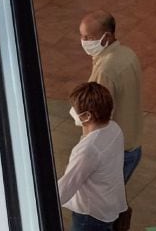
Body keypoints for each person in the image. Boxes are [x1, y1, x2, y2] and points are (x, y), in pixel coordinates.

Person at [80, 11, 143, 231]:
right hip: (132, 145)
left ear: (106, 37)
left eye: (88, 37)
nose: (84, 42)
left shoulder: (106, 69)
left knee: (93, 215)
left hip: (113, 154)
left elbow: (96, 117)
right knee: (112, 201)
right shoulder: (127, 54)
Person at [58, 82, 128, 231]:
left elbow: (67, 186)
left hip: (90, 215)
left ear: (87, 116)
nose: (72, 111)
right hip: (108, 206)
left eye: (75, 109)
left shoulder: (88, 150)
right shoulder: (114, 129)